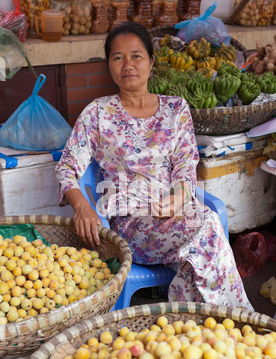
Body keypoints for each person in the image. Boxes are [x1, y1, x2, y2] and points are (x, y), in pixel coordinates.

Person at [56, 21, 253, 310]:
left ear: (151, 61)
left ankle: (195, 328)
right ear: (109, 65)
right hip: (129, 223)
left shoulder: (176, 109)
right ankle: (236, 322)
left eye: (136, 55)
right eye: (118, 57)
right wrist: (82, 206)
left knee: (203, 236)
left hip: (176, 213)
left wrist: (179, 198)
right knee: (207, 226)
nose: (128, 64)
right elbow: (66, 168)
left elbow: (186, 164)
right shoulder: (98, 113)